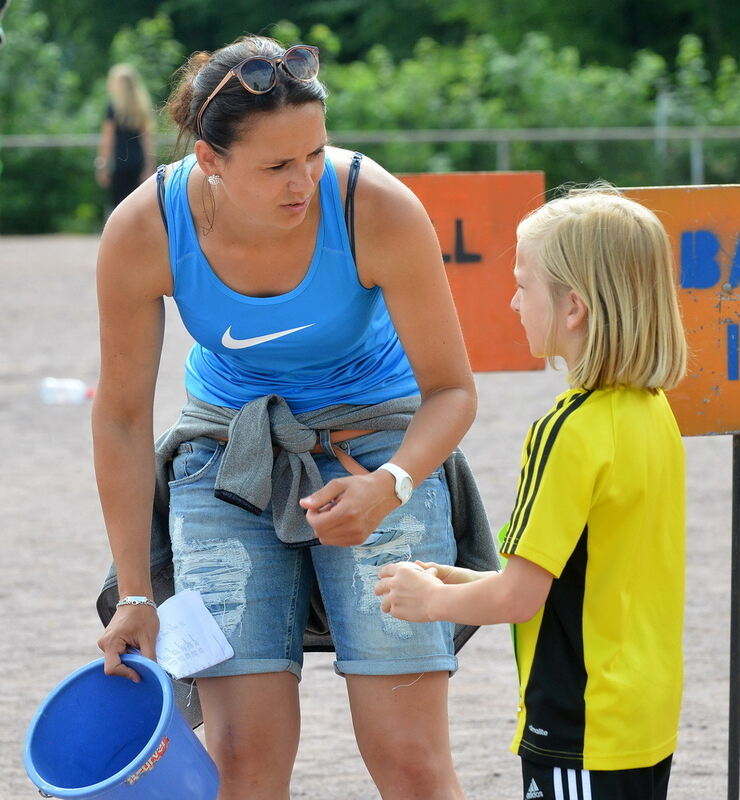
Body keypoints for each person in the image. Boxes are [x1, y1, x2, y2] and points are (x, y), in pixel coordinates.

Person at [93, 34, 498, 800]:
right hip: (228, 455)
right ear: (209, 162)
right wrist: (139, 596)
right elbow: (118, 418)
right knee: (243, 761)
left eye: (314, 153)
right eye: (277, 166)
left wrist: (394, 483)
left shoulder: (371, 204)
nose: (304, 180)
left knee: (408, 759)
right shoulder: (146, 227)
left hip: (378, 443)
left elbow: (453, 390)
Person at [376, 187, 688, 800]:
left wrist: (428, 602)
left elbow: (519, 597)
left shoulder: (565, 432)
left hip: (579, 720)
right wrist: (454, 580)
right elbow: (583, 579)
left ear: (573, 306)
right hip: (642, 712)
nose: (513, 300)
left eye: (524, 284)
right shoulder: (653, 413)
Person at [95, 63, 155, 209]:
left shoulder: (113, 107)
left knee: (119, 207)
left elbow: (108, 140)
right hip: (138, 162)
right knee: (139, 207)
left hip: (120, 163)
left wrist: (102, 164)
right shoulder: (141, 107)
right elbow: (147, 140)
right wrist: (149, 166)